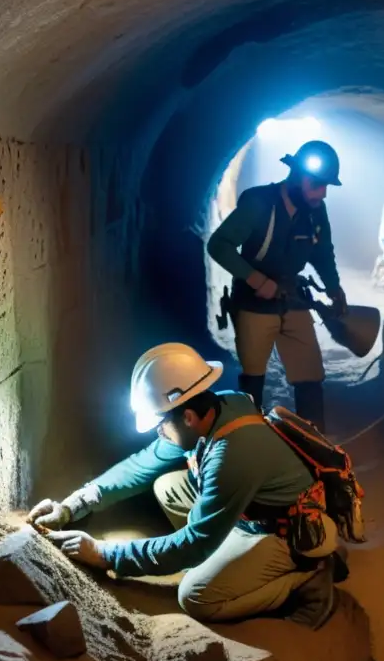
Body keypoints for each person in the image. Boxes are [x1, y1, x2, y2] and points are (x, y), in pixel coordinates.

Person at [28, 343, 342, 629]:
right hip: (248, 509)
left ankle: (305, 579)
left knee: (197, 597)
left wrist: (104, 554)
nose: (158, 435)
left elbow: (194, 544)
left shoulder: (233, 452)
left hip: (283, 532)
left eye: (160, 425)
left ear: (187, 416)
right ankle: (230, 558)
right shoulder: (218, 409)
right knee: (168, 485)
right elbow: (141, 465)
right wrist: (72, 505)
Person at [206, 140, 347, 432]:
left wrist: (334, 288)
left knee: (310, 375)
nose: (321, 192)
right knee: (253, 377)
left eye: (326, 186)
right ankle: (250, 439)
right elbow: (219, 244)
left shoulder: (315, 212)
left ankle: (313, 442)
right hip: (254, 301)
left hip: (292, 298)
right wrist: (256, 279)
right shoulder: (259, 203)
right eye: (316, 184)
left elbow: (323, 253)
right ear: (295, 176)